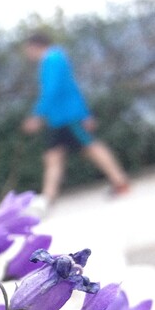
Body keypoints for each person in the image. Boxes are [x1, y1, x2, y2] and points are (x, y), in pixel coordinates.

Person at [21, 32, 130, 206]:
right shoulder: (55, 58)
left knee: (91, 147)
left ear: (35, 46)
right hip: (58, 118)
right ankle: (48, 197)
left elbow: (52, 90)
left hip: (67, 116)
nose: (27, 54)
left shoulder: (53, 59)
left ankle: (120, 181)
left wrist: (37, 115)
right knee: (53, 155)